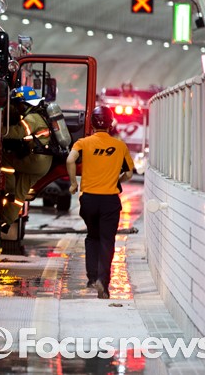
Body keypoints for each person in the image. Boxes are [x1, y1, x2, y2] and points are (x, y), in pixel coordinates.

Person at [66, 105, 134, 299]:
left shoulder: (83, 143)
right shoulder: (120, 146)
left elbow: (70, 160)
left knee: (92, 237)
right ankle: (103, 281)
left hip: (89, 200)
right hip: (109, 201)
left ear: (92, 124)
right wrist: (117, 179)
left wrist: (73, 183)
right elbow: (129, 173)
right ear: (110, 124)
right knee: (107, 240)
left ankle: (92, 277)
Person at [0, 86, 53, 233]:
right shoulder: (42, 115)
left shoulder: (32, 118)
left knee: (5, 159)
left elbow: (18, 132)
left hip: (35, 160)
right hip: (44, 165)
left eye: (18, 104)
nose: (17, 108)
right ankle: (5, 221)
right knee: (20, 194)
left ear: (24, 104)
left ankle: (8, 187)